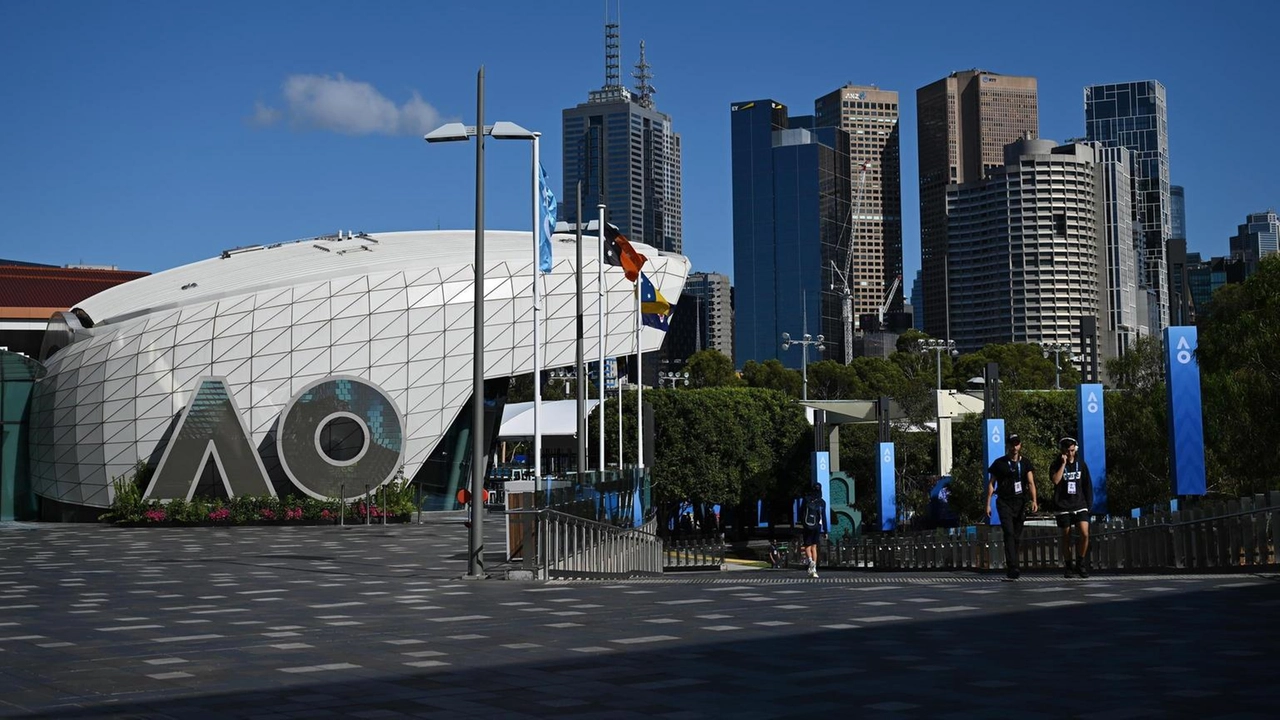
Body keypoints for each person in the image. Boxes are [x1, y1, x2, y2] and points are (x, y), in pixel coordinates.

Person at [985, 433, 1038, 580]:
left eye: (1017, 444)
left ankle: (1013, 563)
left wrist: (1034, 500)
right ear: (1008, 446)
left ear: (1020, 445)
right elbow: (991, 484)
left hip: (1020, 502)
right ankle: (1012, 566)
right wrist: (988, 504)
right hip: (1004, 502)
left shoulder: (1025, 463)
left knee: (1016, 535)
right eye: (1012, 444)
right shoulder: (999, 463)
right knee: (1008, 532)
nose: (1014, 447)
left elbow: (1031, 483)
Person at [1051, 437, 1094, 578]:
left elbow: (1087, 484)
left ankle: (1080, 562)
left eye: (1072, 450)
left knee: (1085, 533)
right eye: (1067, 451)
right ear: (1062, 451)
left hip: (1080, 504)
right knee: (1066, 537)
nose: (1070, 454)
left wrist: (1088, 505)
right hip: (1063, 506)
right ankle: (1069, 565)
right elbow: (1056, 480)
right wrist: (1063, 464)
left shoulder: (1081, 464)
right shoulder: (1056, 464)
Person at [799, 483, 828, 578]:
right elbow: (823, 517)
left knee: (807, 545)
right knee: (814, 547)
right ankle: (814, 569)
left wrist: (803, 523)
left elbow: (801, 512)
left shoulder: (806, 499)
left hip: (807, 525)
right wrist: (825, 530)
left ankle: (810, 561)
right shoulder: (822, 502)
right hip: (817, 526)